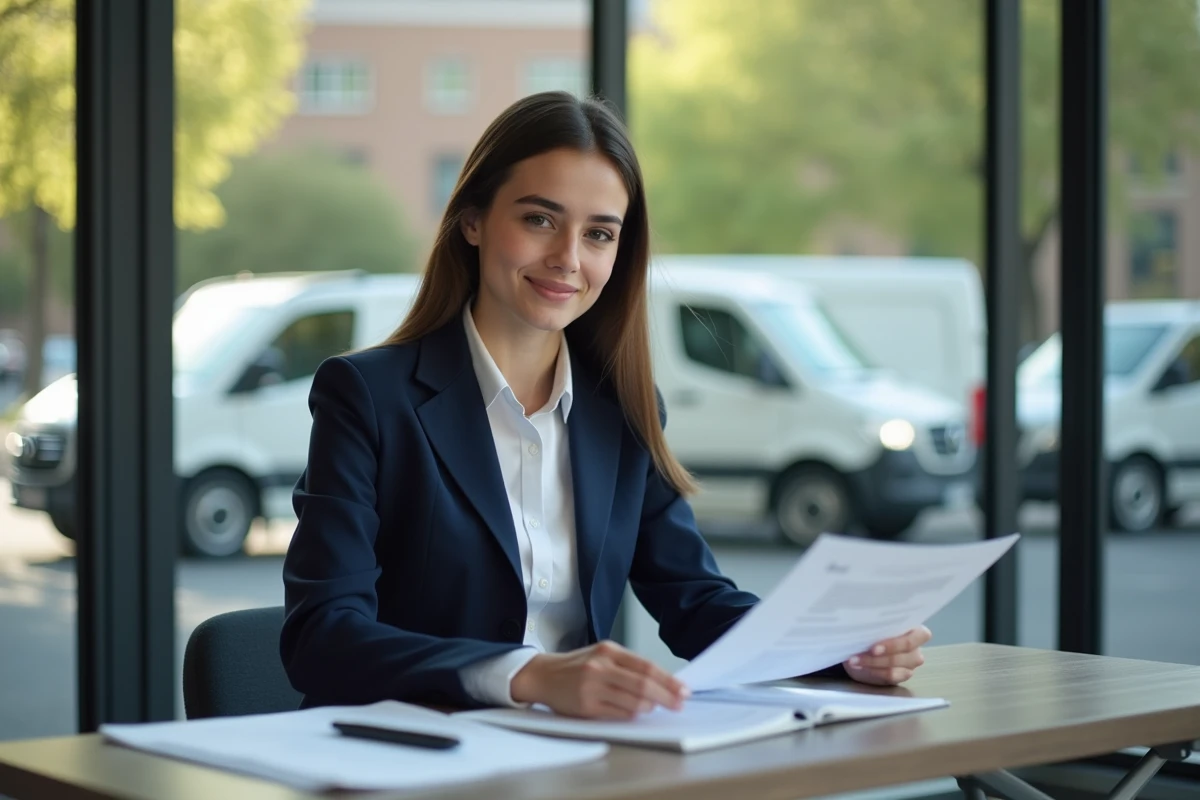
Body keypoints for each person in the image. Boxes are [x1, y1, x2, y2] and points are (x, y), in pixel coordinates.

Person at [280, 91, 931, 720]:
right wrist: (527, 675)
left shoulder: (619, 410)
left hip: (572, 763)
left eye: (598, 234)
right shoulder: (367, 397)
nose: (568, 258)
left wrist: (837, 649)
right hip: (407, 761)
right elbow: (322, 637)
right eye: (539, 219)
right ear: (473, 220)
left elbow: (694, 601)